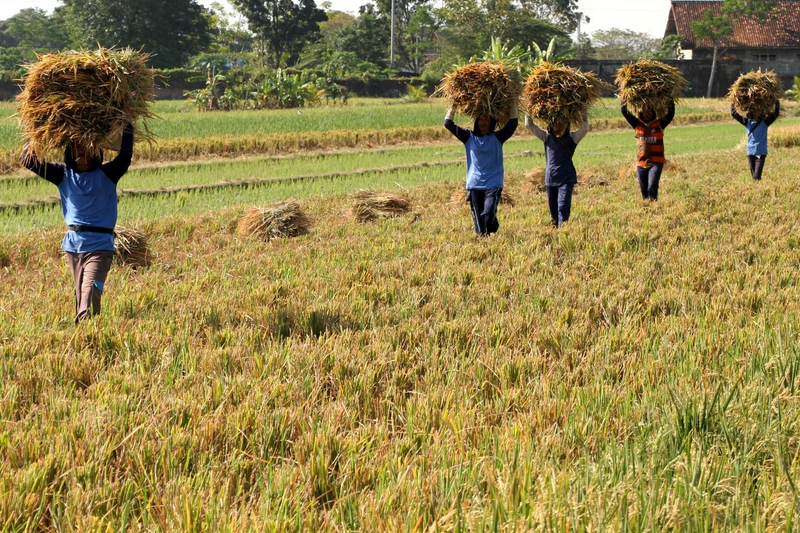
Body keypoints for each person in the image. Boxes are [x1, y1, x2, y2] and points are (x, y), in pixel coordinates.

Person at [21, 125, 134, 323]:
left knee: (90, 293)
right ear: (70, 150)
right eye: (76, 146)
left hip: (100, 247)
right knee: (80, 295)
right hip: (73, 247)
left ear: (95, 150)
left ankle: (87, 330)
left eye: (86, 146)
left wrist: (127, 125)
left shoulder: (108, 173)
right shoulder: (62, 174)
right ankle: (85, 332)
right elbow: (28, 161)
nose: (81, 150)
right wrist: (35, 131)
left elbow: (125, 156)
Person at [444, 103, 518, 236]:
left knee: (488, 213)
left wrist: (512, 101)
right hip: (474, 184)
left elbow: (513, 123)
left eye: (486, 119)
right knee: (479, 225)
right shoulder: (468, 136)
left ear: (491, 122)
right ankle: (484, 239)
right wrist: (453, 106)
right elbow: (448, 124)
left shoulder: (498, 137)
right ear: (476, 121)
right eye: (480, 119)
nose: (483, 122)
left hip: (493, 184)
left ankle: (492, 224)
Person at [525, 110, 589, 227]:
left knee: (563, 206)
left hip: (566, 179)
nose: (558, 124)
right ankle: (556, 228)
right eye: (555, 121)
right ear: (551, 123)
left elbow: (585, 128)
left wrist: (584, 110)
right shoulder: (546, 137)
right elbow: (529, 125)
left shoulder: (572, 138)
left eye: (561, 121)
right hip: (551, 179)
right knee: (553, 211)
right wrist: (529, 110)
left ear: (566, 123)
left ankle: (563, 229)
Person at [621, 100, 675, 201]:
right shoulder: (637, 124)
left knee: (652, 187)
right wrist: (624, 99)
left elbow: (671, 113)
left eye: (649, 111)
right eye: (645, 111)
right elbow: (624, 111)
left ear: (653, 112)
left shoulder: (660, 124)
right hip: (641, 163)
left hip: (656, 163)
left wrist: (669, 99)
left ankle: (653, 204)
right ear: (641, 112)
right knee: (644, 192)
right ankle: (647, 207)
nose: (647, 113)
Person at [731, 101, 780, 180]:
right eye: (755, 111)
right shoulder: (747, 122)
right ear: (751, 113)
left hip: (760, 152)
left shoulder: (765, 122)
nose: (757, 113)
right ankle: (756, 186)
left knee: (757, 176)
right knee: (754, 176)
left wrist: (776, 102)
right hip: (750, 152)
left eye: (758, 111)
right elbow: (734, 114)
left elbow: (776, 113)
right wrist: (733, 103)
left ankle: (757, 186)